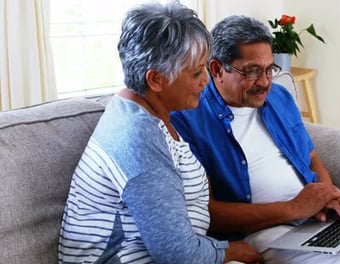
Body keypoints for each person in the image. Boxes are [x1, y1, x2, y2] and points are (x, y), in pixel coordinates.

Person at [171, 15, 340, 264]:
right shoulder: (190, 117)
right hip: (262, 231)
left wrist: (330, 197)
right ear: (216, 69)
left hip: (313, 219)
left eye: (269, 69)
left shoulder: (279, 98)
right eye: (253, 72)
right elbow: (208, 212)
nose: (265, 82)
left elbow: (312, 161)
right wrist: (295, 208)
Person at [58, 3, 262, 263]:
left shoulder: (146, 112)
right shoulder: (138, 138)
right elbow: (177, 253)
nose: (205, 81)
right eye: (196, 73)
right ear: (155, 80)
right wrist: (231, 250)